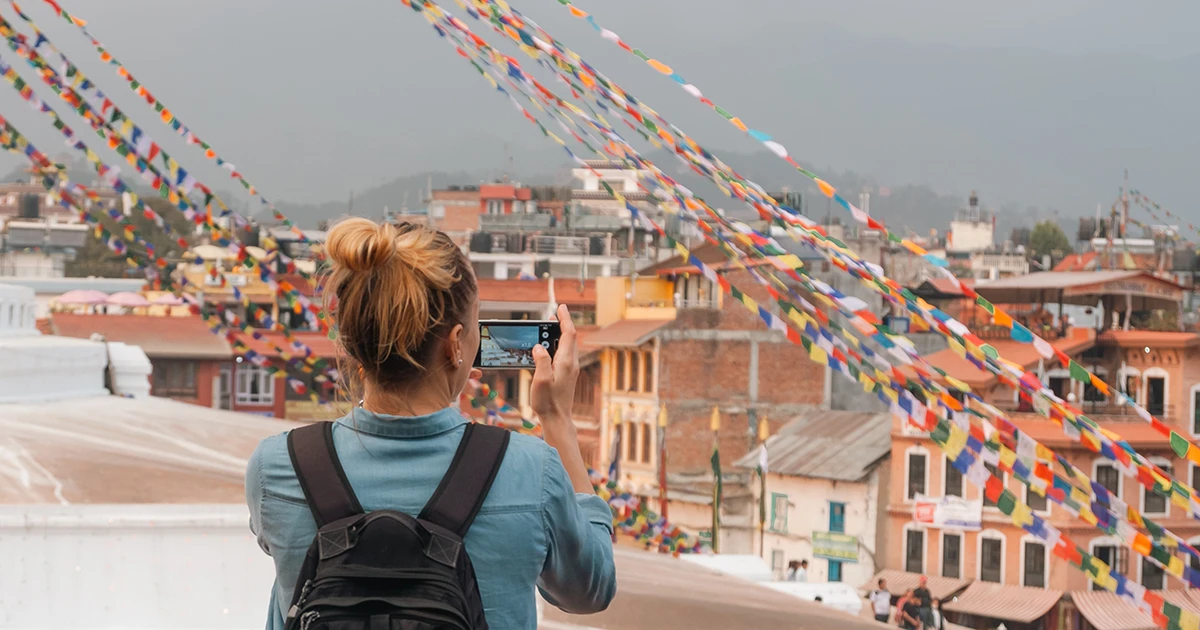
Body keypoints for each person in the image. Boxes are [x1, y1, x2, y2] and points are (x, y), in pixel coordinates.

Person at [245, 218, 617, 629]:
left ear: (351, 338)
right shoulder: (530, 469)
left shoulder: (278, 465)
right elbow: (590, 589)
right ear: (456, 342)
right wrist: (556, 417)